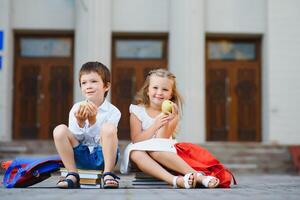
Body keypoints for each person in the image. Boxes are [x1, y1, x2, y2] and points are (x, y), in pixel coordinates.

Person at [120, 68, 219, 189]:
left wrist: (167, 121)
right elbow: (136, 140)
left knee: (155, 149)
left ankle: (198, 176)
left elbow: (161, 141)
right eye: (155, 88)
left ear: (171, 94)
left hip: (163, 152)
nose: (159, 92)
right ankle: (175, 180)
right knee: (135, 152)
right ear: (147, 90)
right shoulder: (137, 111)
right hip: (140, 152)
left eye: (165, 89)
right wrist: (155, 125)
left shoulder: (172, 113)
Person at [53, 61, 121, 189]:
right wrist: (80, 122)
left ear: (106, 86)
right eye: (84, 83)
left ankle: (108, 174)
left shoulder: (113, 111)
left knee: (109, 128)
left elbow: (105, 139)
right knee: (60, 130)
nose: (88, 86)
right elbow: (75, 139)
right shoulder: (76, 108)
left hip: (103, 157)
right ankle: (72, 174)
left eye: (94, 81)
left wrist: (93, 121)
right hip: (79, 156)